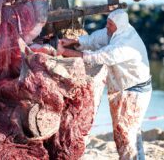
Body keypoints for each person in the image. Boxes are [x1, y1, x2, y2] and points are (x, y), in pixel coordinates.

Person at [57, 9, 152, 160]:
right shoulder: (116, 31)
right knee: (132, 130)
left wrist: (64, 52)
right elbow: (96, 38)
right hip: (124, 88)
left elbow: (98, 57)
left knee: (125, 132)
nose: (107, 26)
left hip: (134, 92)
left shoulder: (124, 45)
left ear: (118, 26)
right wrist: (74, 41)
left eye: (110, 24)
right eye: (107, 22)